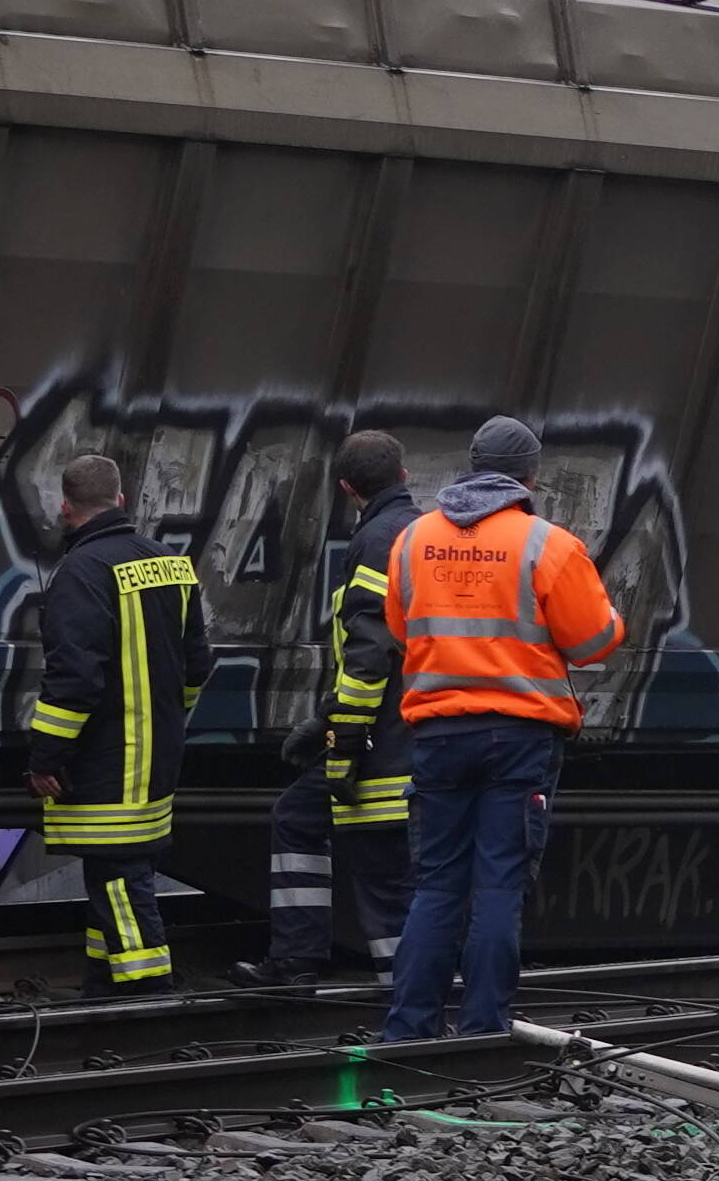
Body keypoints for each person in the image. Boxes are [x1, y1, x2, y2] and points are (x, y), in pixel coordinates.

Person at [382, 414, 620, 1042]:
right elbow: (594, 642)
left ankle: (408, 1030)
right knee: (497, 888)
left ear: (473, 462)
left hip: (436, 736)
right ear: (529, 475)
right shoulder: (548, 544)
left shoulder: (412, 540)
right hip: (518, 740)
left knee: (436, 887)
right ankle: (485, 1032)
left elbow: (403, 630)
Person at [22, 449, 208, 991]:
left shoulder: (80, 572)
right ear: (121, 499)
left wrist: (45, 758)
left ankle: (146, 1002)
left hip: (109, 756)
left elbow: (74, 680)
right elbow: (198, 662)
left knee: (118, 874)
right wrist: (172, 718)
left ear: (65, 506)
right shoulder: (171, 562)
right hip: (158, 753)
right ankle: (103, 989)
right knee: (120, 872)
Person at [256, 429, 419, 983]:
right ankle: (299, 959)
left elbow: (370, 657)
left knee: (383, 876)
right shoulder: (423, 533)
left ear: (348, 487)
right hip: (411, 728)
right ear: (403, 475)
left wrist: (342, 744)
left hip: (382, 740)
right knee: (299, 818)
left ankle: (410, 1005)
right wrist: (324, 720)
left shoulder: (376, 541)